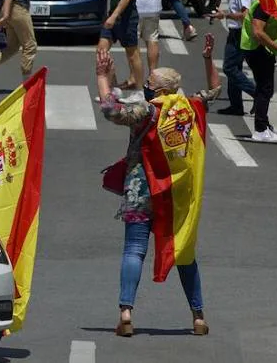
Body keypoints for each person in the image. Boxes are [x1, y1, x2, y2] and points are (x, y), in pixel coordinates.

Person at [96, 38, 219, 338]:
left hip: (141, 190)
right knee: (185, 253)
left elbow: (112, 110)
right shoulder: (189, 108)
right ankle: (198, 317)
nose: (146, 85)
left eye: (150, 82)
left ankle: (126, 312)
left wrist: (101, 77)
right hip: (176, 195)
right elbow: (214, 90)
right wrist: (207, 59)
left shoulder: (147, 112)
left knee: (134, 250)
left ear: (161, 90)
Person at [239, 0, 277, 141]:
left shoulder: (269, 3)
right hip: (257, 50)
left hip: (260, 49)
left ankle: (265, 125)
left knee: (265, 88)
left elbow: (267, 27)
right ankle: (260, 129)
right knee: (265, 89)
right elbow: (257, 32)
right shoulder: (264, 5)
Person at [211, 0, 258, 115]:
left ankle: (256, 94)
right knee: (234, 68)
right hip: (236, 32)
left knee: (229, 68)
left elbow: (245, 15)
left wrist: (224, 14)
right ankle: (236, 106)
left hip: (240, 33)